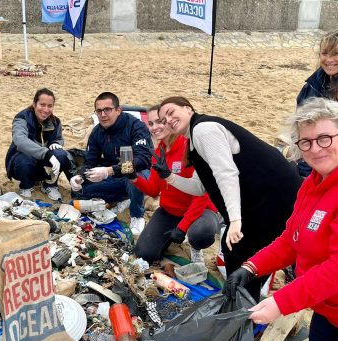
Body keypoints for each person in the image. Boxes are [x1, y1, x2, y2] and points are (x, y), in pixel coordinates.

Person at [223, 98, 338, 341]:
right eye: (306, 141)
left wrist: (279, 303)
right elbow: (292, 240)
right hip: (328, 309)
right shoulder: (312, 185)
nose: (316, 148)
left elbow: (335, 269)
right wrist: (250, 267)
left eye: (325, 138)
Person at [156, 96, 301, 301]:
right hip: (262, 200)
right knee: (238, 252)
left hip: (274, 197)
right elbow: (200, 187)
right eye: (163, 119)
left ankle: (243, 308)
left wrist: (234, 220)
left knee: (237, 251)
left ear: (188, 109)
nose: (167, 120)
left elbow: (226, 173)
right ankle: (246, 301)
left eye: (171, 113)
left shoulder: (203, 130)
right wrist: (168, 177)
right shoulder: (193, 141)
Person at [133, 105, 219, 264]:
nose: (155, 128)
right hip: (170, 210)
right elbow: (153, 190)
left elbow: (202, 194)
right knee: (145, 253)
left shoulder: (189, 147)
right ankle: (174, 235)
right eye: (150, 124)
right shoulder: (158, 152)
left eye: (159, 122)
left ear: (168, 122)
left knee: (201, 233)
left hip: (200, 210)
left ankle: (195, 246)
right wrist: (133, 178)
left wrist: (183, 227)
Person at [69, 92, 153, 236]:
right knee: (79, 190)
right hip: (113, 175)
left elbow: (143, 160)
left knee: (132, 174)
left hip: (138, 172)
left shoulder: (135, 126)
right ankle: (124, 197)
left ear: (118, 110)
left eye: (107, 109)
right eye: (99, 111)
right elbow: (90, 161)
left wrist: (109, 170)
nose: (103, 115)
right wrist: (80, 176)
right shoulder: (97, 132)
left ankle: (137, 215)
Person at [5, 87, 73, 201]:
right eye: (42, 105)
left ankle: (49, 184)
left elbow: (59, 138)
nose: (46, 110)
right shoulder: (22, 118)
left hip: (44, 166)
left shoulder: (55, 121)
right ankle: (26, 185)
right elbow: (19, 140)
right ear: (34, 104)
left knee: (61, 155)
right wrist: (46, 153)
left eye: (50, 106)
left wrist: (57, 143)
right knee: (25, 160)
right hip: (22, 162)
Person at [296, 30, 338, 177]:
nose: (329, 59)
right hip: (309, 157)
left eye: (335, 53)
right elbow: (301, 125)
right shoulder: (312, 84)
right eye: (324, 53)